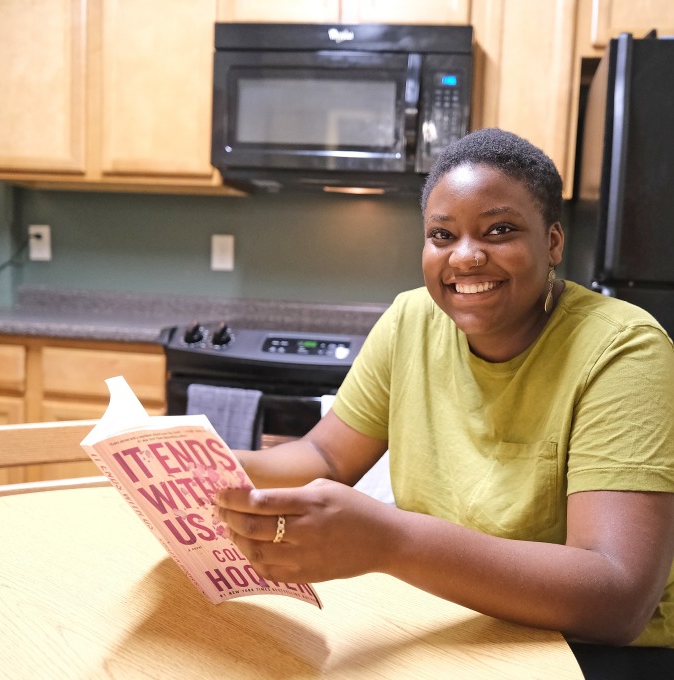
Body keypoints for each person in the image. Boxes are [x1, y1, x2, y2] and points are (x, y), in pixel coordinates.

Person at [216, 128, 674, 678]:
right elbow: (327, 457)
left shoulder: (623, 349)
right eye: (442, 234)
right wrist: (212, 468)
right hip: (453, 619)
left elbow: (617, 598)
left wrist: (389, 541)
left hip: (595, 655)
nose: (467, 256)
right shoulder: (411, 319)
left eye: (499, 230)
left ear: (552, 242)